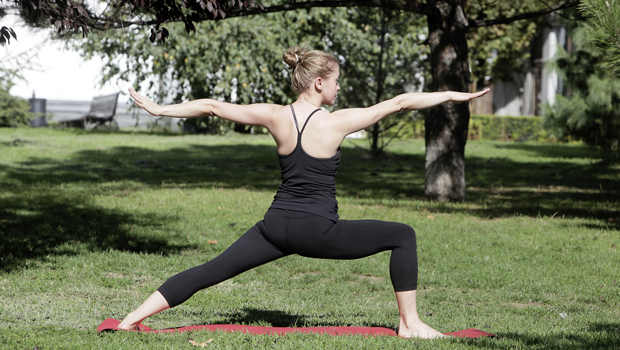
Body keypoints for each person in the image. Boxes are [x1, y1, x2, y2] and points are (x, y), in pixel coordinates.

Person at [120, 47, 490, 339]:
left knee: (211, 270)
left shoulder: (274, 115)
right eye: (336, 81)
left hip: (275, 227)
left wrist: (159, 109)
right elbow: (400, 102)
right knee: (403, 235)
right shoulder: (336, 122)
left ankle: (130, 320)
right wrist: (453, 95)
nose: (338, 88)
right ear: (318, 83)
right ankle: (410, 324)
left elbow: (213, 106)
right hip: (318, 231)